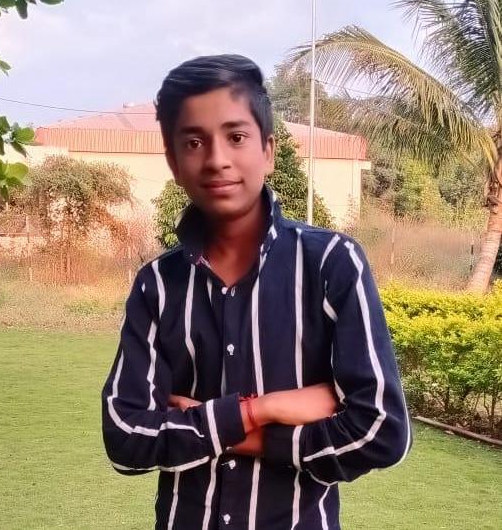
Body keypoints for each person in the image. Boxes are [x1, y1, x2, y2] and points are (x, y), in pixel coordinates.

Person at [101, 54, 412, 530]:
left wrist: (222, 426)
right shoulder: (158, 285)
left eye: (236, 137)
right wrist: (261, 409)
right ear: (174, 163)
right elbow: (126, 438)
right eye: (193, 142)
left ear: (268, 151)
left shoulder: (331, 264)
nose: (217, 159)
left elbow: (381, 432)